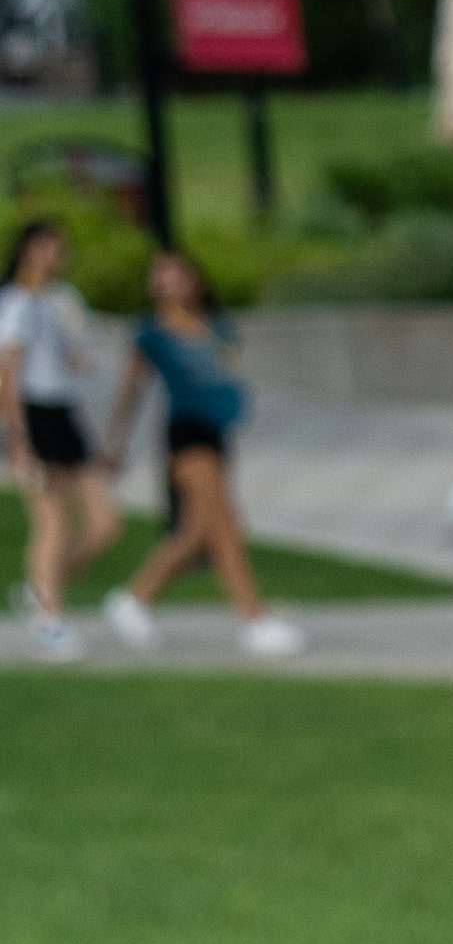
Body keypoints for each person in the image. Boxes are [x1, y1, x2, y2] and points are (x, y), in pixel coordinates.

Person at [106, 240, 300, 655]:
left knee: (196, 532)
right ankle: (253, 620)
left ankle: (133, 600)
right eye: (161, 276)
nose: (169, 284)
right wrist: (115, 443)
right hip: (186, 435)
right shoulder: (151, 334)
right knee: (225, 525)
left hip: (216, 436)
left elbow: (230, 379)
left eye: (177, 275)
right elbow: (131, 391)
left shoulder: (217, 326)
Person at [8, 218, 111, 654]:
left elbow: (74, 366)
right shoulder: (15, 303)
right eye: (49, 246)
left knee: (104, 523)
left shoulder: (63, 300)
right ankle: (49, 619)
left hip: (65, 413)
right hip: (33, 416)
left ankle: (40, 592)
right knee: (52, 521)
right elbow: (6, 375)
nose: (57, 254)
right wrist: (16, 436)